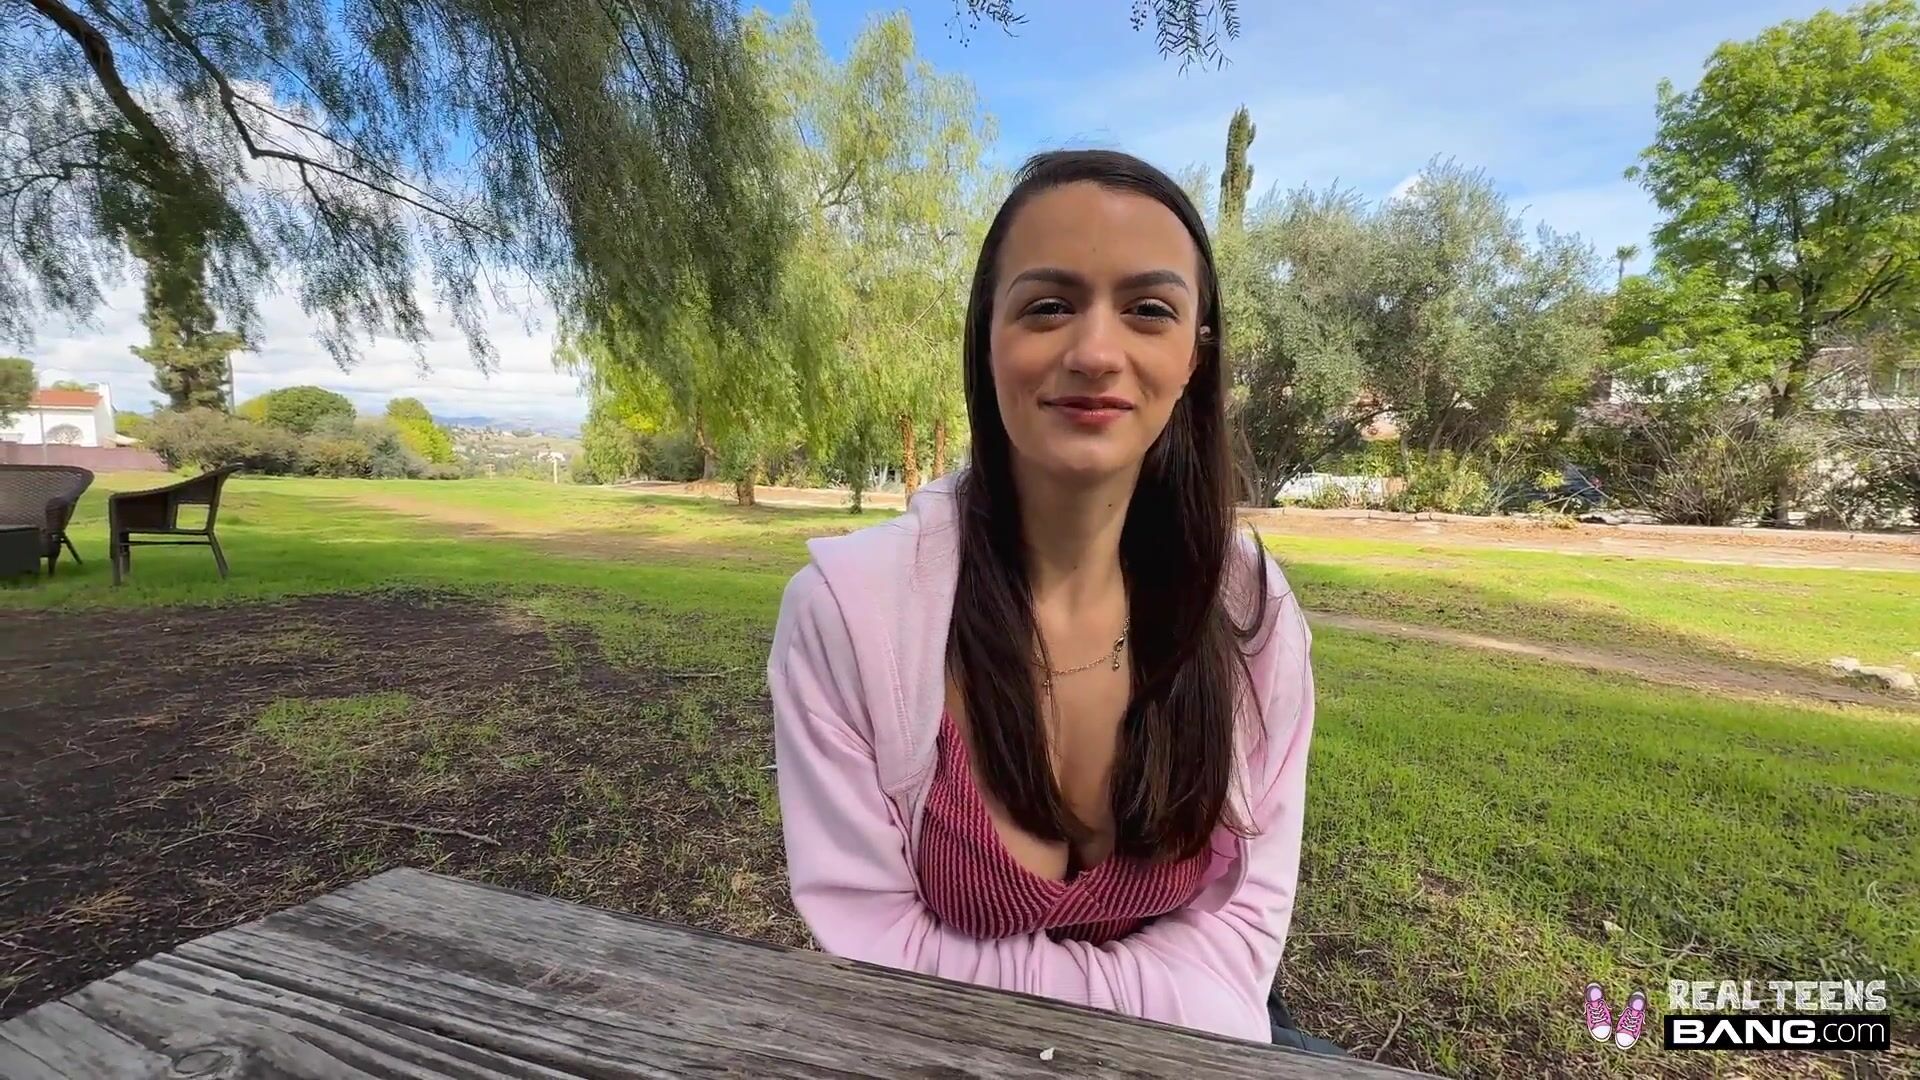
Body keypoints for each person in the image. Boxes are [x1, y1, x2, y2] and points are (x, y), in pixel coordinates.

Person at [766, 149, 1323, 1047]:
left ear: (1194, 353)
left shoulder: (1251, 612)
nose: (1095, 352)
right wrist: (1174, 1003)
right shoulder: (846, 616)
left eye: (1149, 310)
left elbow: (1242, 934)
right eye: (1049, 306)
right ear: (988, 340)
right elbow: (874, 949)